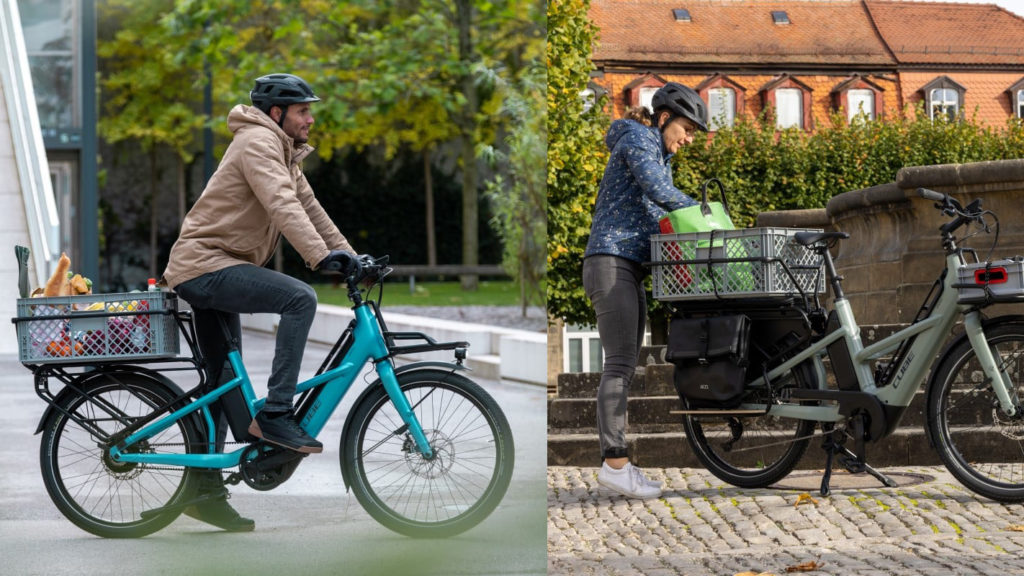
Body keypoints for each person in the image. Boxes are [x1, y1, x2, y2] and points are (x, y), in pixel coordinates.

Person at [162, 73, 358, 531]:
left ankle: (203, 492)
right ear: (278, 114)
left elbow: (309, 208)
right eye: (303, 110)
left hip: (215, 265)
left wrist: (349, 256)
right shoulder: (258, 143)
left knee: (221, 384)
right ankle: (275, 414)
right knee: (298, 299)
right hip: (205, 265)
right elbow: (281, 204)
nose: (311, 118)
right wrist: (318, 258)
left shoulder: (285, 152)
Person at [583, 82, 708, 499]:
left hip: (628, 266)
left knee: (626, 365)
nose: (688, 140)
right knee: (618, 365)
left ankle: (618, 464)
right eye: (687, 129)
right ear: (663, 118)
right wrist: (707, 217)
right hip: (610, 261)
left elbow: (658, 214)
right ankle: (614, 465)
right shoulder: (638, 139)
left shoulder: (655, 152)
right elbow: (659, 192)